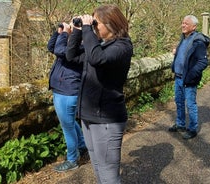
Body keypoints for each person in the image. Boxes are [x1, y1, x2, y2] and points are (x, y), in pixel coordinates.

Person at [66, 4, 133, 184]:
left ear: (111, 24)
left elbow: (97, 59)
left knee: (109, 175)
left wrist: (88, 29)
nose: (94, 26)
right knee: (97, 168)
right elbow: (71, 56)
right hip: (90, 117)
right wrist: (79, 30)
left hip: (107, 119)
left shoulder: (122, 47)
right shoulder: (100, 45)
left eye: (97, 23)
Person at [47, 22, 87, 172]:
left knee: (67, 127)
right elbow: (52, 47)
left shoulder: (82, 47)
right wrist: (59, 32)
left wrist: (65, 33)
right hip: (63, 90)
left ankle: (72, 160)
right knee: (69, 122)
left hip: (67, 91)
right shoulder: (73, 45)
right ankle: (82, 146)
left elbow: (58, 49)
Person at [168, 15, 210, 140]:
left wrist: (191, 75)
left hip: (189, 79)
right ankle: (180, 124)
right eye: (182, 23)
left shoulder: (199, 42)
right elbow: (184, 55)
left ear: (194, 27)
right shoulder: (183, 38)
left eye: (186, 23)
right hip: (179, 77)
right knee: (179, 102)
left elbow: (203, 62)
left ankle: (192, 129)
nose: (183, 25)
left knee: (190, 104)